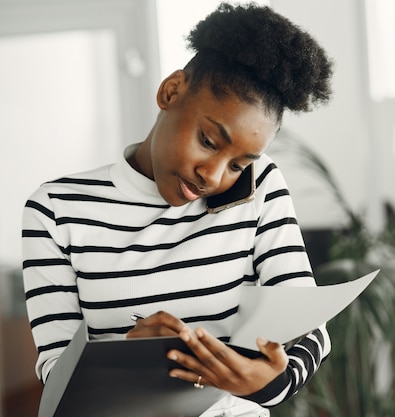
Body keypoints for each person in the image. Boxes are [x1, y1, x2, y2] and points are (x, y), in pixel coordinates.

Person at [21, 2, 334, 416]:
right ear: (171, 91)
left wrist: (269, 382)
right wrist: (129, 361)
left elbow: (310, 330)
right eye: (208, 140)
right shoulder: (56, 210)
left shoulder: (259, 187)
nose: (214, 175)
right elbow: (54, 372)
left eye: (238, 163)